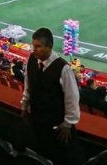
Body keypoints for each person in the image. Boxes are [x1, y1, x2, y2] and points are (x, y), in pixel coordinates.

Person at [19, 27, 84, 165]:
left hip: (57, 124)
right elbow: (28, 85)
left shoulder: (63, 68)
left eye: (38, 46)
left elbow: (72, 98)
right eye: (33, 45)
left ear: (49, 47)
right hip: (37, 119)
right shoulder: (31, 60)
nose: (34, 49)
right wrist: (24, 104)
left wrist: (68, 123)